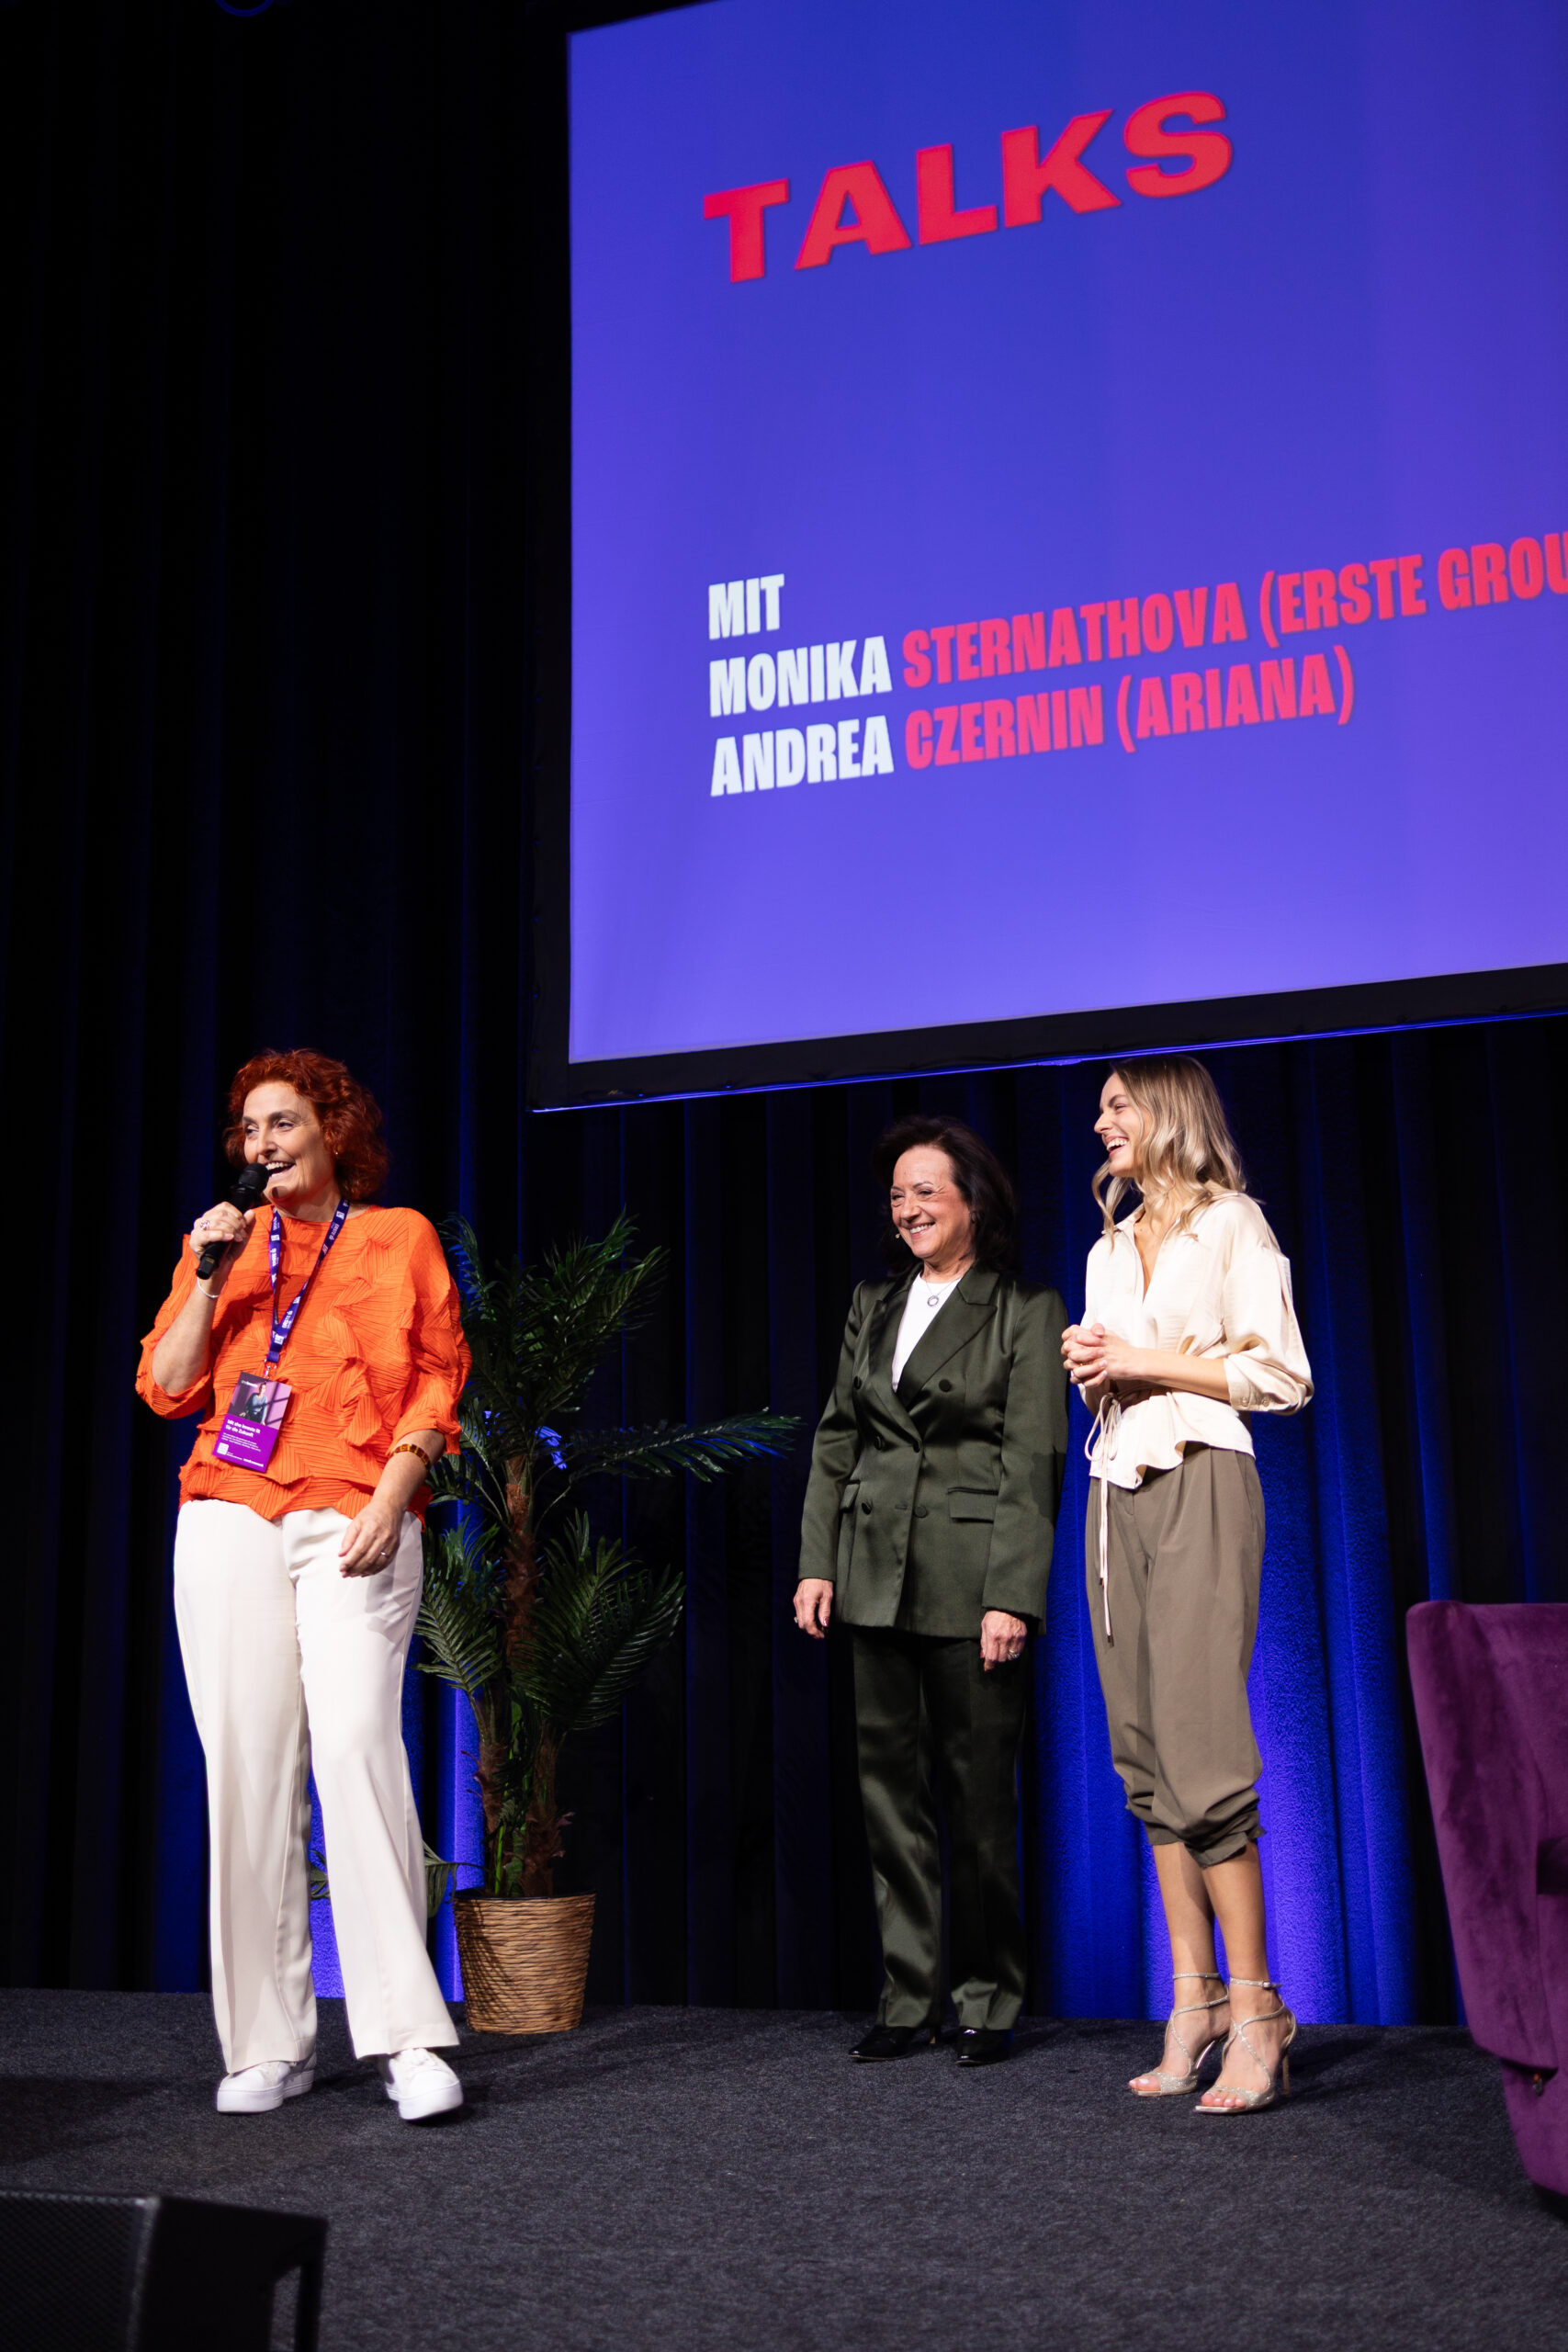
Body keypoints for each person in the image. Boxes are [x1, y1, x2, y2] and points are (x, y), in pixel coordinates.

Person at [137, 1048, 470, 2123]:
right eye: (248, 1128)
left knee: (359, 1748)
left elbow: (438, 1379)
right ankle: (268, 2045)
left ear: (332, 1129)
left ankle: (407, 2037)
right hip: (227, 1512)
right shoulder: (225, 1245)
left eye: (281, 1122)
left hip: (354, 1513)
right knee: (247, 1774)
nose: (262, 1142)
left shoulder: (397, 1235)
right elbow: (168, 1386)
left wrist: (394, 1497)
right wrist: (205, 1272)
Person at [1061, 1057, 1313, 2113]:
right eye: (1101, 1108)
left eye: (1119, 1104)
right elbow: (1115, 1384)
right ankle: (1194, 1997)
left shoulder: (1232, 1225)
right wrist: (1094, 1366)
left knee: (1204, 1751)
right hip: (1115, 1491)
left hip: (1203, 1475)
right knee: (1147, 1758)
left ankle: (1259, 2009)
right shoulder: (1107, 1247)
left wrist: (1141, 1362)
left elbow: (1282, 1376)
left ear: (1169, 1111)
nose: (1101, 1122)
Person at [795, 1116, 1067, 2065]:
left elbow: (1032, 1460)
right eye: (897, 1195)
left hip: (969, 1580)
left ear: (972, 1203)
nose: (906, 1209)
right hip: (873, 1573)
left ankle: (988, 1999)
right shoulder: (872, 1303)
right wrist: (818, 1561)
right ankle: (908, 1997)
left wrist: (1012, 1596)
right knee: (889, 1799)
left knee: (980, 1802)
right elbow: (838, 1435)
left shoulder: (1024, 1308)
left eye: (925, 1191)